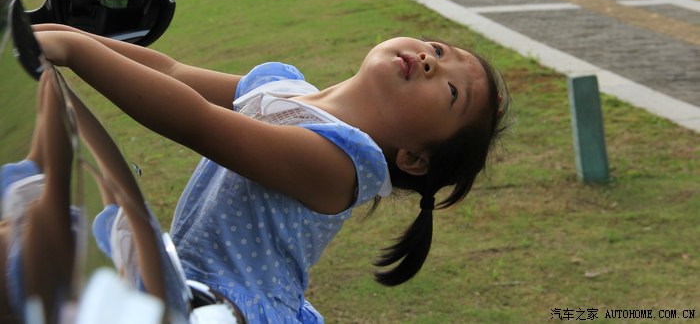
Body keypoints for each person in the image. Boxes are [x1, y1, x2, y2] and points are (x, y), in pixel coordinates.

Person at [33, 24, 509, 323]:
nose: (429, 61)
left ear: (414, 160)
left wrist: (75, 50)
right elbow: (173, 71)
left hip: (226, 307)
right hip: (189, 283)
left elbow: (198, 122)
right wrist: (58, 32)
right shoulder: (285, 88)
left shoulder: (342, 164)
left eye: (452, 92)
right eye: (439, 49)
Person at [0, 67, 169, 323]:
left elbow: (116, 190)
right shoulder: (38, 271)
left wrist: (47, 78)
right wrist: (53, 75)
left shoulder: (115, 268)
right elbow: (122, 192)